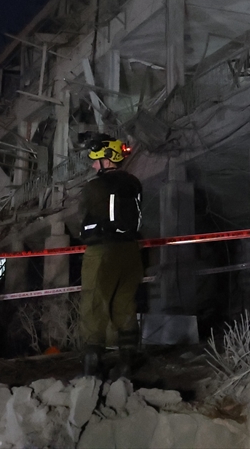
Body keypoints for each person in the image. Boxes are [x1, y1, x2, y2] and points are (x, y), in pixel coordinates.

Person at [78, 133, 143, 378]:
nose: (94, 165)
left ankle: (91, 370)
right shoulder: (134, 183)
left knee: (94, 305)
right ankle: (126, 363)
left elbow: (82, 220)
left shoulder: (94, 187)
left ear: (107, 159)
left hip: (101, 252)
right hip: (130, 252)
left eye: (96, 160)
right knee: (125, 305)